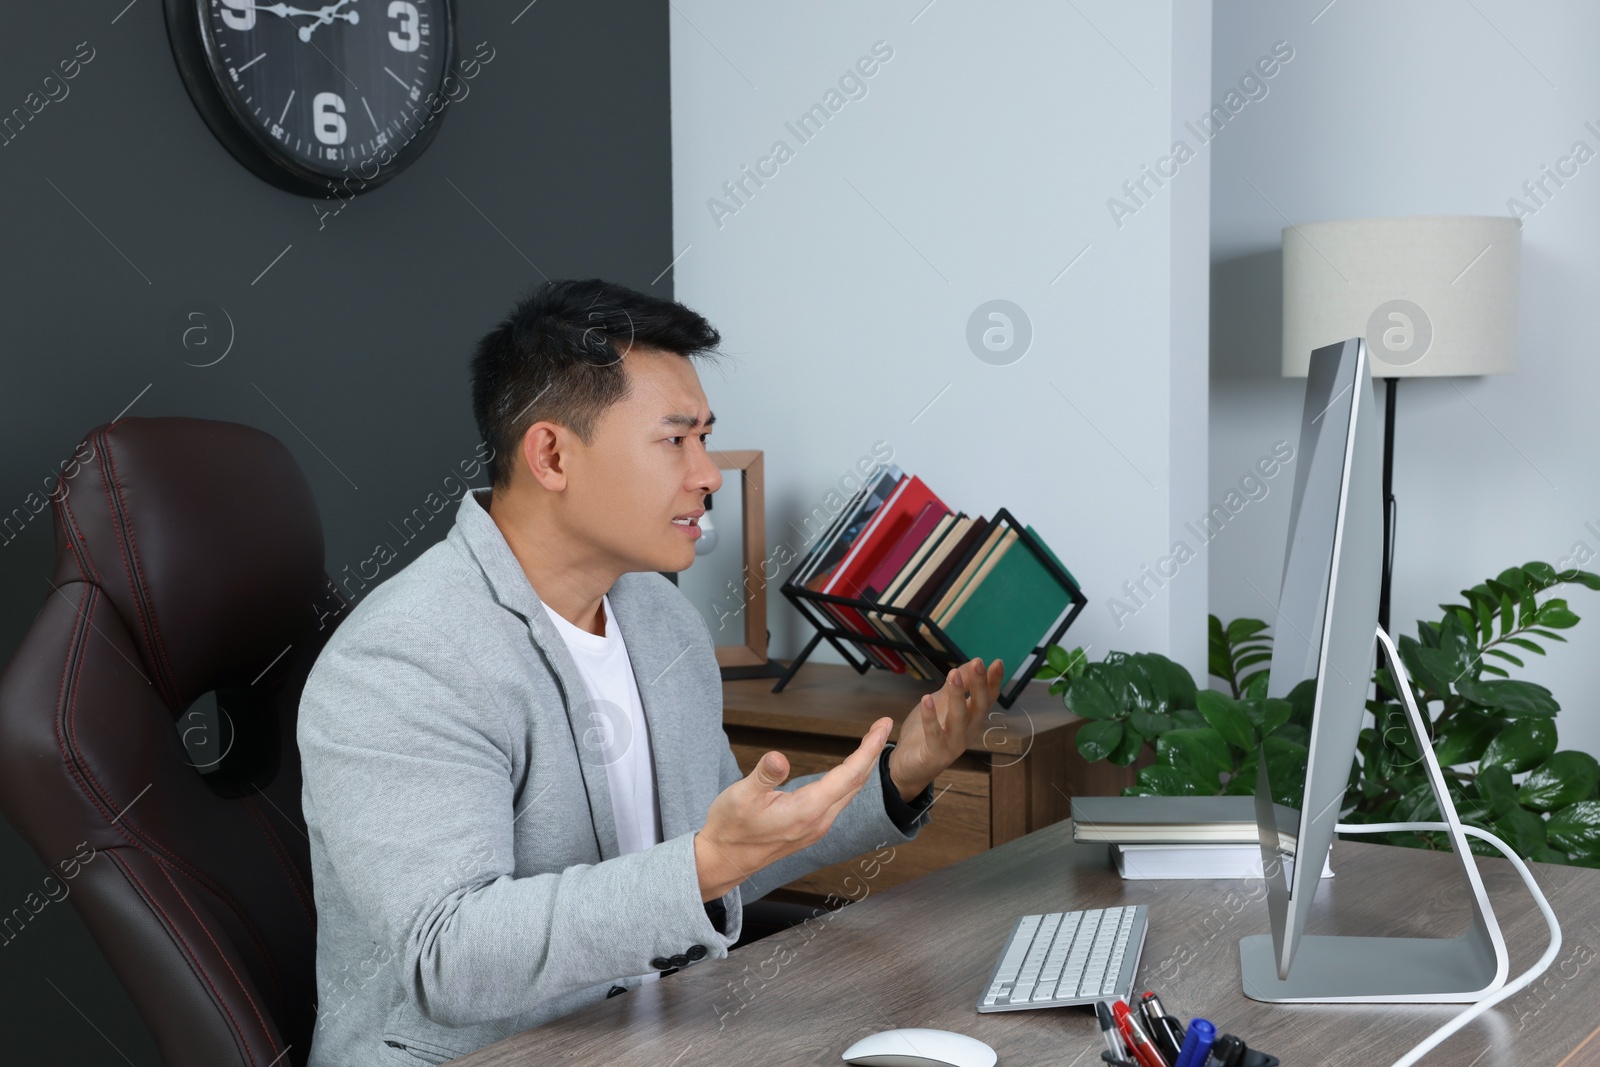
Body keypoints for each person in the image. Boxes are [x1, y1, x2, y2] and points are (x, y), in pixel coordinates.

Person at [297, 278, 1005, 1066]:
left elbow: (724, 840)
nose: (707, 473)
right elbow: (448, 956)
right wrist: (705, 863)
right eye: (676, 440)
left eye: (705, 437)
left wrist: (897, 773)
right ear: (552, 454)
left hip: (671, 1035)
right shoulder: (404, 656)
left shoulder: (657, 615)